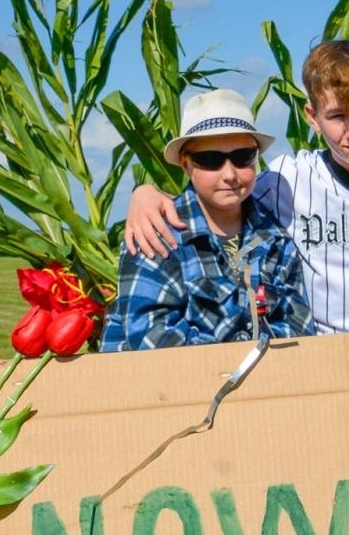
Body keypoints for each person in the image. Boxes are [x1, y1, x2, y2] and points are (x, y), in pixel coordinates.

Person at [124, 40, 349, 334]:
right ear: (312, 117)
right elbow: (217, 196)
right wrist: (146, 195)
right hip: (331, 363)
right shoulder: (287, 182)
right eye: (337, 117)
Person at [101, 88, 314, 351]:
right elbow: (151, 338)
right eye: (211, 160)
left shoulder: (275, 238)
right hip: (169, 377)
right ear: (186, 164)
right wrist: (246, 352)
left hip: (259, 375)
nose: (230, 174)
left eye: (243, 157)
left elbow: (298, 328)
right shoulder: (156, 234)